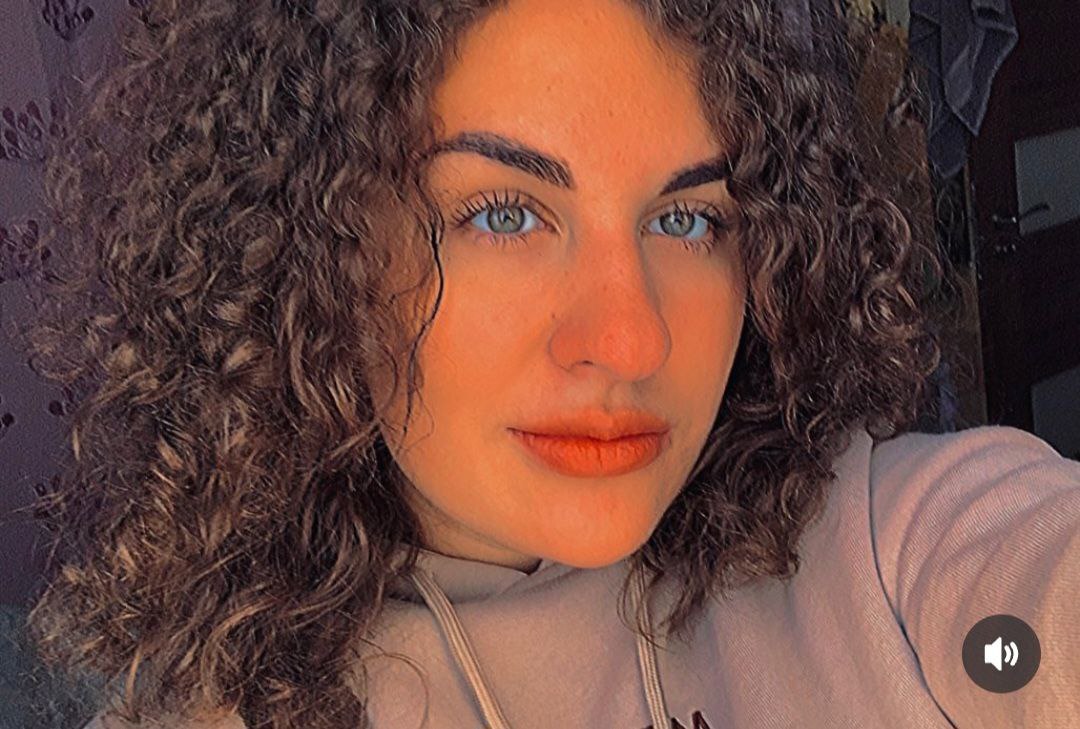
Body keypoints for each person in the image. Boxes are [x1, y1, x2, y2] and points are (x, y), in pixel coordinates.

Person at [12, 0, 1078, 727]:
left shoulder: (879, 544)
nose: (631, 341)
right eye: (504, 213)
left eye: (689, 220)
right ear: (317, 246)